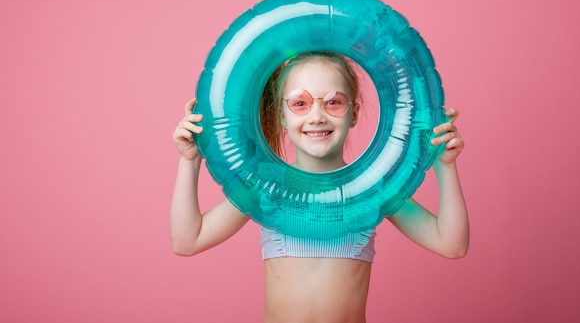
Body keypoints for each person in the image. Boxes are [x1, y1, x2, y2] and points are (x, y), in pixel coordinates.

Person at [170, 52, 469, 323]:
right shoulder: (267, 185)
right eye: (300, 103)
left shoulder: (370, 188)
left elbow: (451, 243)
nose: (317, 116)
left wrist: (445, 165)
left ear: (353, 113)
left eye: (333, 102)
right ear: (282, 117)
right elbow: (187, 240)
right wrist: (189, 160)